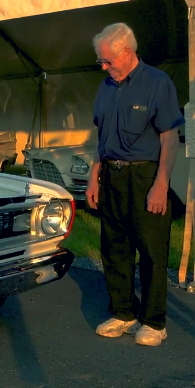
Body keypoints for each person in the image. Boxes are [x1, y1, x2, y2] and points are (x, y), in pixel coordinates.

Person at [84, 22, 184, 347]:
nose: (103, 66)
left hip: (146, 177)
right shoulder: (105, 87)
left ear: (127, 52)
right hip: (111, 176)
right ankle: (123, 313)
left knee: (152, 252)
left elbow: (170, 139)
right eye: (101, 61)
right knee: (114, 248)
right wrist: (93, 178)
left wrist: (161, 185)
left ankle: (154, 322)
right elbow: (101, 139)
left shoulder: (158, 83)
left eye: (108, 60)